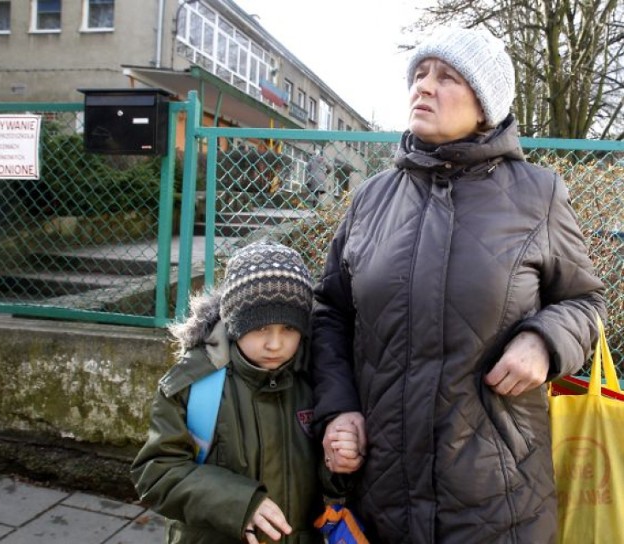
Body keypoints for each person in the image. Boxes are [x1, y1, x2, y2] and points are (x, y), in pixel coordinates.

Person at [311, 26, 606, 543]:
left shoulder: (538, 194)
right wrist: (338, 409)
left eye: (446, 77)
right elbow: (331, 313)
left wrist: (545, 341)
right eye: (419, 74)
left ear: (485, 107)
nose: (423, 86)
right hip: (382, 494)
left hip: (499, 501)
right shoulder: (371, 199)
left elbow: (585, 300)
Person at [131, 240, 326, 544]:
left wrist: (342, 468)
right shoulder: (194, 383)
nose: (275, 344)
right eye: (260, 328)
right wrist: (239, 503)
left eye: (288, 329)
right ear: (234, 322)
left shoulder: (318, 381)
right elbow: (156, 473)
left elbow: (331, 481)